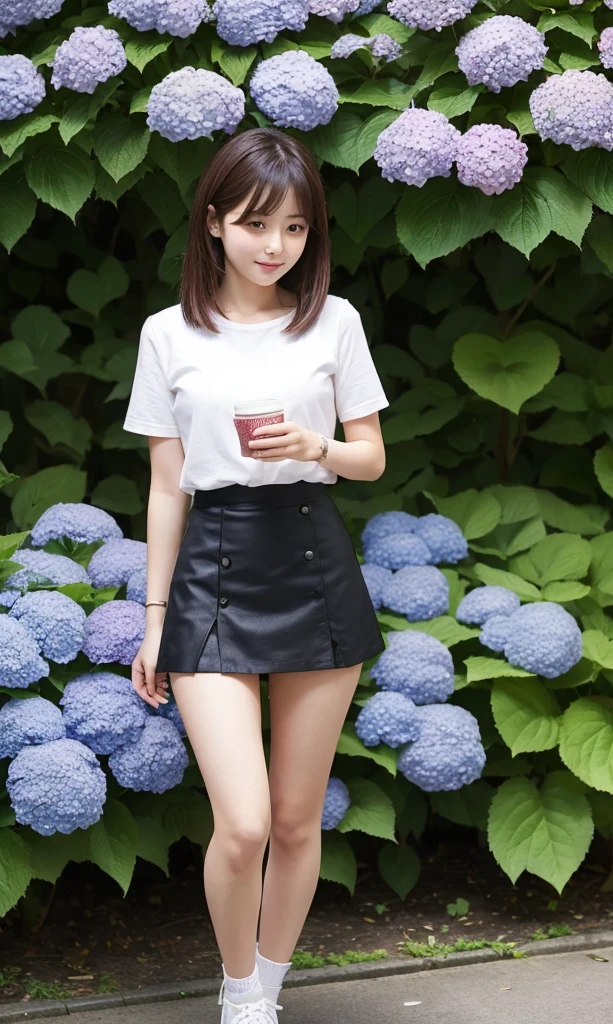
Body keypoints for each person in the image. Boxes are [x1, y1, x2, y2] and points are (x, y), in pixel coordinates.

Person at [122, 127, 390, 1024]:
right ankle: (238, 988)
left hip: (314, 557)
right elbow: (166, 486)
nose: (275, 247)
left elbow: (372, 459)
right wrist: (154, 618)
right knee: (240, 824)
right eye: (254, 224)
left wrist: (320, 446)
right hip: (212, 569)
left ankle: (262, 996)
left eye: (295, 229)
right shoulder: (168, 334)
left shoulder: (336, 321)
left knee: (293, 822)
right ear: (212, 224)